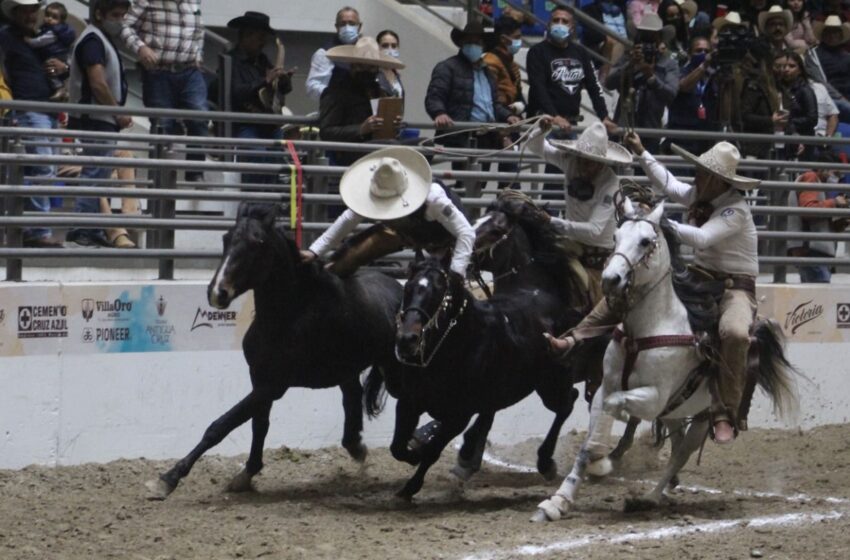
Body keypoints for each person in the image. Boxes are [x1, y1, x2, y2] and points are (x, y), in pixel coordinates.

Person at [549, 132, 761, 445]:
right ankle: (575, 337)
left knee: (735, 333)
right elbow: (670, 185)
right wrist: (641, 151)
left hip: (735, 287)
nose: (697, 176)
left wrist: (657, 223)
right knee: (633, 291)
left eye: (703, 173)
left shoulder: (735, 209)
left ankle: (725, 411)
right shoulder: (702, 194)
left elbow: (702, 238)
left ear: (718, 180)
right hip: (699, 276)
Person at [301, 147, 475, 279]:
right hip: (404, 233)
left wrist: (456, 274)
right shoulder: (376, 188)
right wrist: (315, 251)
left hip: (444, 238)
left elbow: (465, 233)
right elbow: (348, 218)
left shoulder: (434, 199)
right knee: (351, 255)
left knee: (433, 286)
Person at [525, 119, 634, 306]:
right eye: (582, 159)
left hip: (599, 254)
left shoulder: (611, 185)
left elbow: (594, 230)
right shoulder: (570, 161)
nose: (584, 166)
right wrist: (541, 130)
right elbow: (536, 146)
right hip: (571, 243)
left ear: (601, 163)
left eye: (591, 162)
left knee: (594, 302)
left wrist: (552, 222)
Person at [65, 0, 133, 247]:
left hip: (99, 118)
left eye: (123, 15)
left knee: (100, 173)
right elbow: (98, 83)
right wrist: (118, 113)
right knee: (95, 172)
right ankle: (83, 228)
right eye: (116, 15)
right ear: (99, 14)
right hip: (96, 119)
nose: (120, 20)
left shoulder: (99, 38)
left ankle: (88, 227)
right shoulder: (93, 40)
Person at [424, 20, 519, 195]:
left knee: (479, 185)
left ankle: (471, 217)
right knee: (463, 184)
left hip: (486, 137)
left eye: (477, 42)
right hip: (462, 135)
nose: (473, 46)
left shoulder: (487, 73)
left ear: (483, 45)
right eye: (469, 42)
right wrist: (440, 112)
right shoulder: (447, 67)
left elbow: (493, 104)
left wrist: (507, 116)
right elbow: (435, 96)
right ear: (461, 43)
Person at [120, 0, 208, 181]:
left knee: (199, 117)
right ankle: (159, 177)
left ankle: (195, 173)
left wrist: (198, 55)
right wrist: (141, 47)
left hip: (189, 69)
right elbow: (125, 25)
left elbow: (198, 31)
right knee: (163, 124)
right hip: (159, 70)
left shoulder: (193, 2)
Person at [0, 0, 64, 247]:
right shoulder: (6, 37)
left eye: (33, 9)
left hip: (46, 108)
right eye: (26, 9)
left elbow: (58, 66)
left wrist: (63, 68)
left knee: (38, 170)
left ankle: (27, 228)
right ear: (15, 13)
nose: (30, 14)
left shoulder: (42, 38)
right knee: (42, 168)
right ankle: (37, 230)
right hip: (27, 108)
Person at [526, 8, 615, 136]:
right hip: (544, 123)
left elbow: (594, 86)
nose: (560, 24)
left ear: (572, 28)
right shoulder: (537, 52)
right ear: (549, 24)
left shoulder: (580, 53)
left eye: (565, 21)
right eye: (556, 20)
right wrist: (554, 115)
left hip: (570, 124)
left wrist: (604, 117)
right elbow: (538, 88)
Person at [319, 36, 405, 166]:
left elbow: (385, 131)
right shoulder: (336, 92)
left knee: (425, 145)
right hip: (350, 149)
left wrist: (393, 126)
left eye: (371, 68)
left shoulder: (380, 91)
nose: (366, 71)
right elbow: (326, 132)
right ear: (352, 66)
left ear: (377, 69)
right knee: (391, 147)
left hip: (380, 144)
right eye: (361, 66)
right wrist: (360, 129)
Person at [605, 12, 680, 153]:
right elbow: (609, 83)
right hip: (623, 126)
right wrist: (630, 65)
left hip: (650, 130)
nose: (648, 41)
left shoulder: (668, 63)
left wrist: (651, 76)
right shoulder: (629, 58)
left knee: (645, 171)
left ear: (660, 39)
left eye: (652, 37)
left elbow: (670, 94)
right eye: (644, 36)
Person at [787, 150, 848, 283]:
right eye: (835, 173)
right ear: (823, 168)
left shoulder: (820, 186)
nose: (837, 177)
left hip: (815, 250)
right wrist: (835, 202)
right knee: (819, 298)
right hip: (811, 250)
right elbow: (808, 210)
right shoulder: (810, 177)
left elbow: (824, 221)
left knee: (817, 298)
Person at [666, 34, 721, 155]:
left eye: (706, 51)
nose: (703, 54)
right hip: (682, 136)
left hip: (705, 138)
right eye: (698, 51)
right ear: (690, 54)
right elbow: (684, 86)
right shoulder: (680, 70)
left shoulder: (714, 75)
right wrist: (703, 66)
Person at [305, 6, 361, 100]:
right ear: (336, 27)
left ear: (359, 26)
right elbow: (312, 87)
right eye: (342, 24)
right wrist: (335, 94)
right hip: (335, 108)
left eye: (351, 23)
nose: (347, 27)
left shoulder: (367, 51)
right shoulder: (325, 53)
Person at [25, 1, 75, 100]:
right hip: (54, 55)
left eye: (54, 17)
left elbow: (38, 42)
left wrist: (28, 40)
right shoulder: (49, 29)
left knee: (51, 72)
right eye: (47, 15)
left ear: (61, 20)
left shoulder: (53, 32)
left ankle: (59, 88)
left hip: (55, 56)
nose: (49, 19)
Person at [777, 50, 817, 160]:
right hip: (781, 138)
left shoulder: (805, 90)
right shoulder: (777, 88)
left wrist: (790, 120)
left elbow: (812, 118)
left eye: (791, 66)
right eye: (783, 66)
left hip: (802, 139)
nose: (786, 69)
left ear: (800, 70)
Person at [813, 16, 850, 123]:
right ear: (823, 35)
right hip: (829, 99)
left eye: (835, 32)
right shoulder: (815, 55)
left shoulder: (847, 56)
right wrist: (841, 98)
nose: (832, 36)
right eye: (829, 32)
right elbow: (819, 81)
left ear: (841, 35)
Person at [376, 30, 404, 99]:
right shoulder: (374, 74)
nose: (390, 49)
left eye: (394, 46)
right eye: (385, 46)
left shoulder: (396, 74)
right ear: (377, 48)